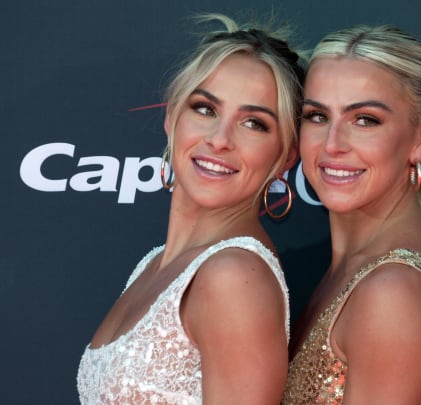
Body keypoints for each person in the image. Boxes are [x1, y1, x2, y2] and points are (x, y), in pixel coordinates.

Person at [77, 13, 304, 404]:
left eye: (254, 123)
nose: (219, 139)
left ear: (286, 156)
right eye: (205, 109)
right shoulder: (154, 263)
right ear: (172, 119)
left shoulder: (233, 277)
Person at [282, 25, 421, 405]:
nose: (332, 145)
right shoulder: (376, 261)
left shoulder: (392, 291)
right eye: (317, 116)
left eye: (365, 120)